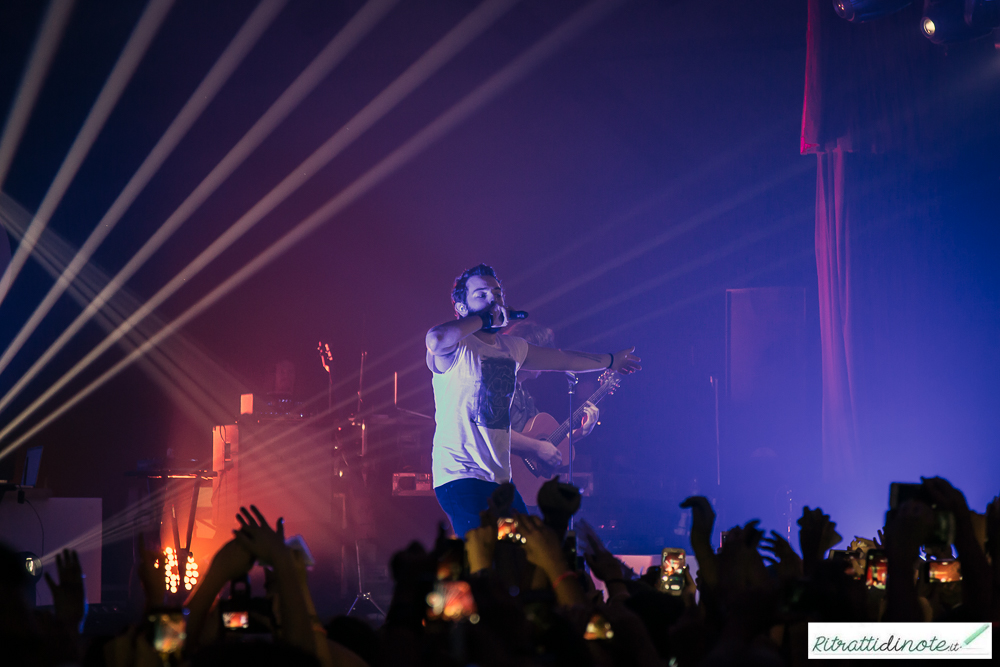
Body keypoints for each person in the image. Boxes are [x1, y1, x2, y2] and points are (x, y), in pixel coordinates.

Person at [425, 263, 640, 538]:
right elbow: (436, 339)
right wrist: (485, 319)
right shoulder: (455, 349)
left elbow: (565, 359)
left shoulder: (513, 348)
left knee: (525, 558)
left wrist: (611, 360)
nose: (493, 299)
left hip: (500, 479)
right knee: (485, 564)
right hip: (461, 475)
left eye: (497, 293)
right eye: (481, 295)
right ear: (461, 308)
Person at [505, 321, 599, 508]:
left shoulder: (524, 393)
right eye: (541, 355)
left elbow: (548, 441)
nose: (546, 364)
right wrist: (538, 447)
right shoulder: (502, 386)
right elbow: (493, 434)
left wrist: (581, 432)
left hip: (522, 485)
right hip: (501, 477)